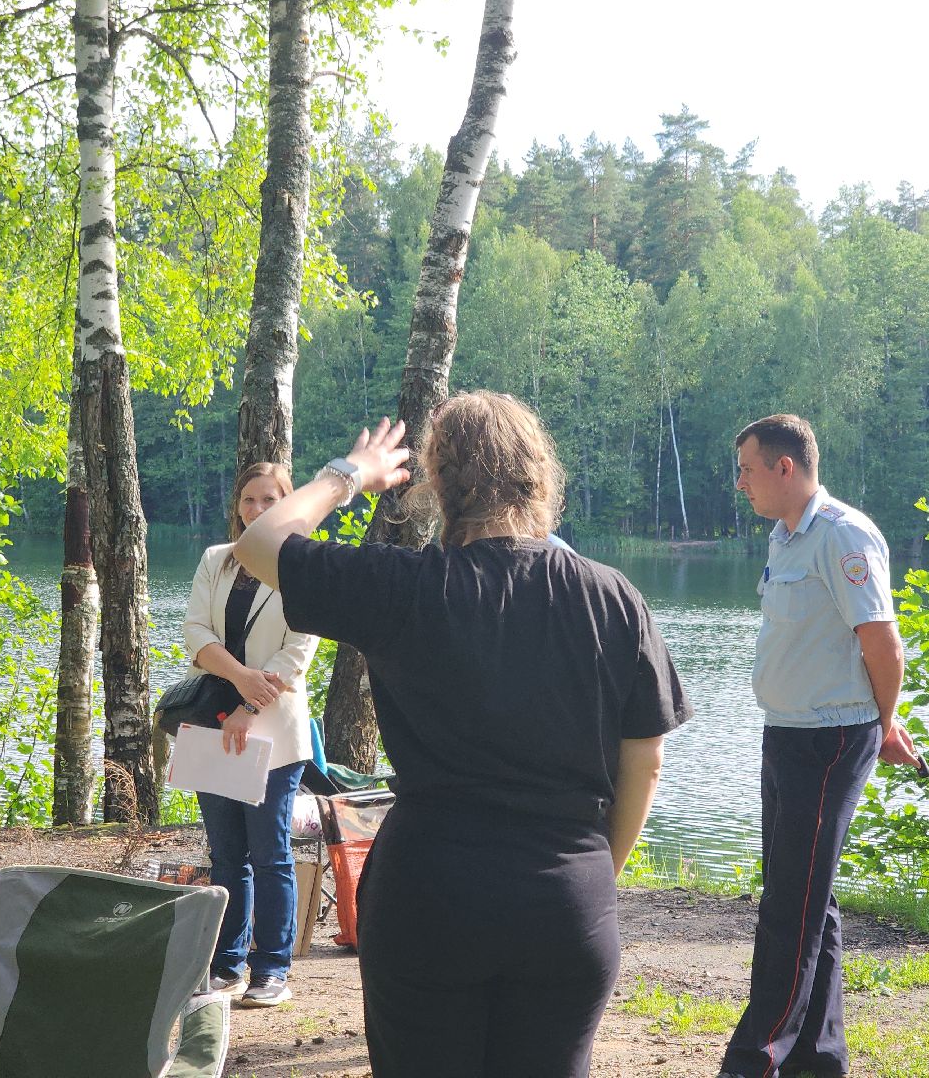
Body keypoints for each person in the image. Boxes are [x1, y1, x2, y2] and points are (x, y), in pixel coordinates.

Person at [231, 393, 691, 1078]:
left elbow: (259, 542)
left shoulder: (405, 587)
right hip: (565, 893)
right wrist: (589, 877)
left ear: (438, 484)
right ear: (540, 476)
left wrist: (347, 474)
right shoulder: (611, 595)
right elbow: (644, 763)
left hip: (431, 891)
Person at [718, 414, 921, 1078]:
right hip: (787, 735)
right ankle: (818, 1060)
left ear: (785, 468)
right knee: (809, 896)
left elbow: (882, 644)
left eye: (746, 469)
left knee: (789, 908)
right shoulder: (785, 538)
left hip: (830, 740)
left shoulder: (842, 534)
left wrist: (882, 725)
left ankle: (755, 1061)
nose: (739, 483)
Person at [182, 461, 320, 1008]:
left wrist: (248, 705)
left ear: (288, 505)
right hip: (211, 725)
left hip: (272, 734)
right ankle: (227, 964)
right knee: (225, 854)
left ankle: (272, 970)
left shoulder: (303, 569)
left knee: (271, 854)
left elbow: (296, 654)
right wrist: (238, 680)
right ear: (238, 507)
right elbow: (194, 632)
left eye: (270, 499)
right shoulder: (217, 560)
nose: (258, 509)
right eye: (249, 500)